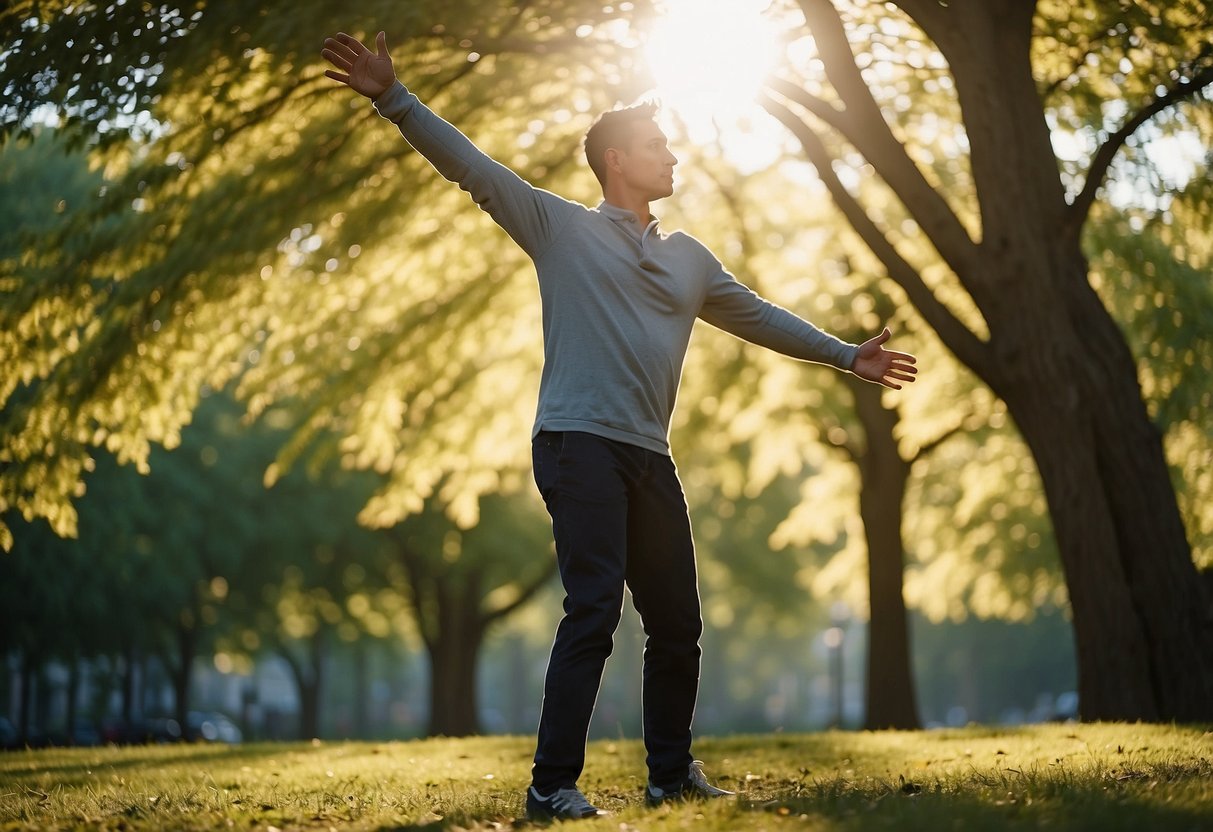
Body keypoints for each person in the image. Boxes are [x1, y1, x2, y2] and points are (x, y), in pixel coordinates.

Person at [321, 30, 917, 821]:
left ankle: (669, 775)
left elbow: (759, 317)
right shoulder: (557, 228)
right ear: (615, 161)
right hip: (576, 443)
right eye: (654, 145)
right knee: (594, 608)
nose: (670, 155)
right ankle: (550, 785)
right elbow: (473, 168)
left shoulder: (689, 260)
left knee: (677, 623)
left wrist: (846, 355)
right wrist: (394, 99)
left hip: (647, 455)